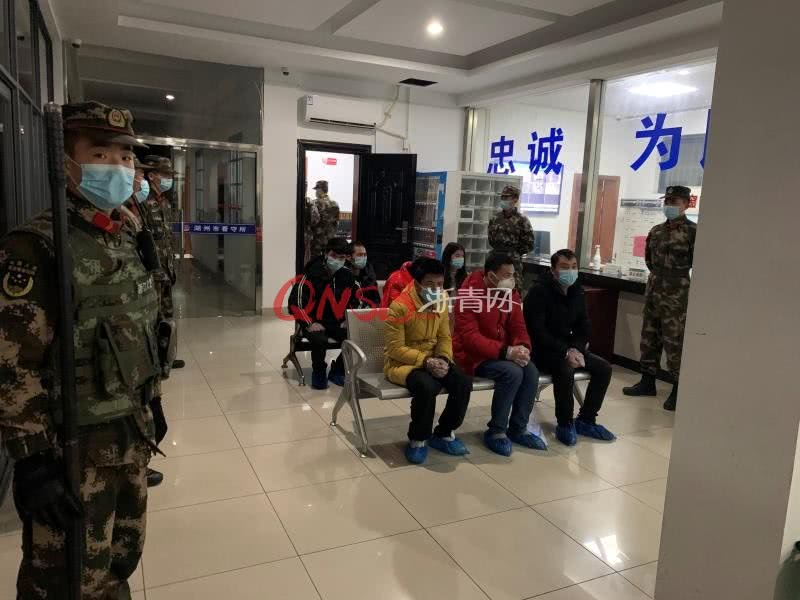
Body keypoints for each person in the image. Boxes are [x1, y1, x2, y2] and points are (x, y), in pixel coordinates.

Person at [0, 101, 161, 598]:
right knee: (65, 577)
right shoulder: (37, 246)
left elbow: (139, 327)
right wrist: (30, 459)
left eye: (125, 157)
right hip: (71, 452)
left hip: (128, 432)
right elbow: (12, 362)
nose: (118, 167)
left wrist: (152, 399)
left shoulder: (125, 232)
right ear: (67, 163)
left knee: (119, 558)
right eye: (100, 154)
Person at [454, 252, 545, 456]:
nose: (511, 280)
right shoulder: (469, 294)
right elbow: (470, 338)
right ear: (491, 276)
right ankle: (497, 431)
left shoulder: (509, 293)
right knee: (512, 373)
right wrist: (506, 351)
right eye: (507, 275)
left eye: (513, 275)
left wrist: (522, 347)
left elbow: (519, 326)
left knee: (530, 371)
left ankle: (519, 428)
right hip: (472, 356)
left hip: (501, 353)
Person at [384, 257, 472, 464]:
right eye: (430, 284)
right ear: (417, 283)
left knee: (463, 381)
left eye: (440, 284)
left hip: (434, 358)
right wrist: (426, 361)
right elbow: (395, 349)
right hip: (404, 363)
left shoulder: (441, 300)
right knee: (427, 386)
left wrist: (443, 358)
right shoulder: (399, 307)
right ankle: (418, 439)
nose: (436, 289)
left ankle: (444, 432)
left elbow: (444, 336)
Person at [524, 249, 616, 446]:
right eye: (564, 267)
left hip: (570, 347)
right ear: (553, 270)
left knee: (604, 368)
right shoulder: (538, 292)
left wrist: (576, 349)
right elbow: (537, 331)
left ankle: (586, 420)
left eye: (573, 267)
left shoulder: (577, 291)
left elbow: (584, 326)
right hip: (543, 350)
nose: (570, 271)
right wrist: (565, 351)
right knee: (564, 371)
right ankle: (565, 423)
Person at [622, 185, 697, 411]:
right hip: (654, 289)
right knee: (649, 338)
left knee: (675, 342)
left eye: (674, 202)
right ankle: (647, 382)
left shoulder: (693, 232)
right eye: (667, 201)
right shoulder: (656, 231)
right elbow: (649, 260)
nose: (669, 205)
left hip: (677, 293)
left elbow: (697, 262)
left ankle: (678, 388)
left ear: (686, 204)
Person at [289, 237, 356, 390]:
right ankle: (319, 371)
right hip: (313, 321)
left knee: (358, 334)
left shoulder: (347, 275)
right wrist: (309, 323)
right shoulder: (310, 274)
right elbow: (296, 303)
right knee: (319, 339)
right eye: (334, 256)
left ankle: (337, 369)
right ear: (326, 254)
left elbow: (354, 300)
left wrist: (348, 318)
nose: (337, 260)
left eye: (341, 257)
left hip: (336, 322)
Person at [488, 185, 534, 293]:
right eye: (502, 197)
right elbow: (491, 239)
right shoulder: (495, 218)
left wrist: (514, 252)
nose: (503, 199)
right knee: (492, 289)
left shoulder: (522, 220)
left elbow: (529, 244)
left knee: (513, 291)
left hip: (513, 262)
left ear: (515, 199)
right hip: (495, 258)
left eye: (506, 197)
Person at [305, 180, 340, 260]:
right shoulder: (335, 204)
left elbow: (312, 221)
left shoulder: (315, 203)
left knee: (315, 261)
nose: (316, 192)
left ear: (320, 190)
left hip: (317, 240)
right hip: (330, 240)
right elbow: (337, 223)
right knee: (328, 260)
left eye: (316, 190)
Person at [350, 240, 381, 308]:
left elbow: (376, 300)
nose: (363, 258)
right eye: (360, 255)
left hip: (368, 312)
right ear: (349, 257)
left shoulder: (369, 275)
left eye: (365, 255)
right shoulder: (344, 277)